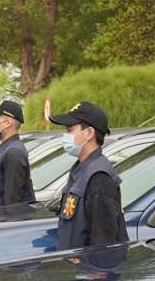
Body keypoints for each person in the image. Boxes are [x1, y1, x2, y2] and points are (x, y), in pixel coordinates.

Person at [49, 102, 127, 249]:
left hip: (86, 264)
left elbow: (102, 245)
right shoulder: (83, 169)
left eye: (70, 130)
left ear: (89, 133)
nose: (65, 136)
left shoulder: (99, 178)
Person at [0, 100, 34, 207]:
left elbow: (13, 203)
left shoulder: (14, 153)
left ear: (7, 123)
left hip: (3, 217)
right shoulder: (6, 149)